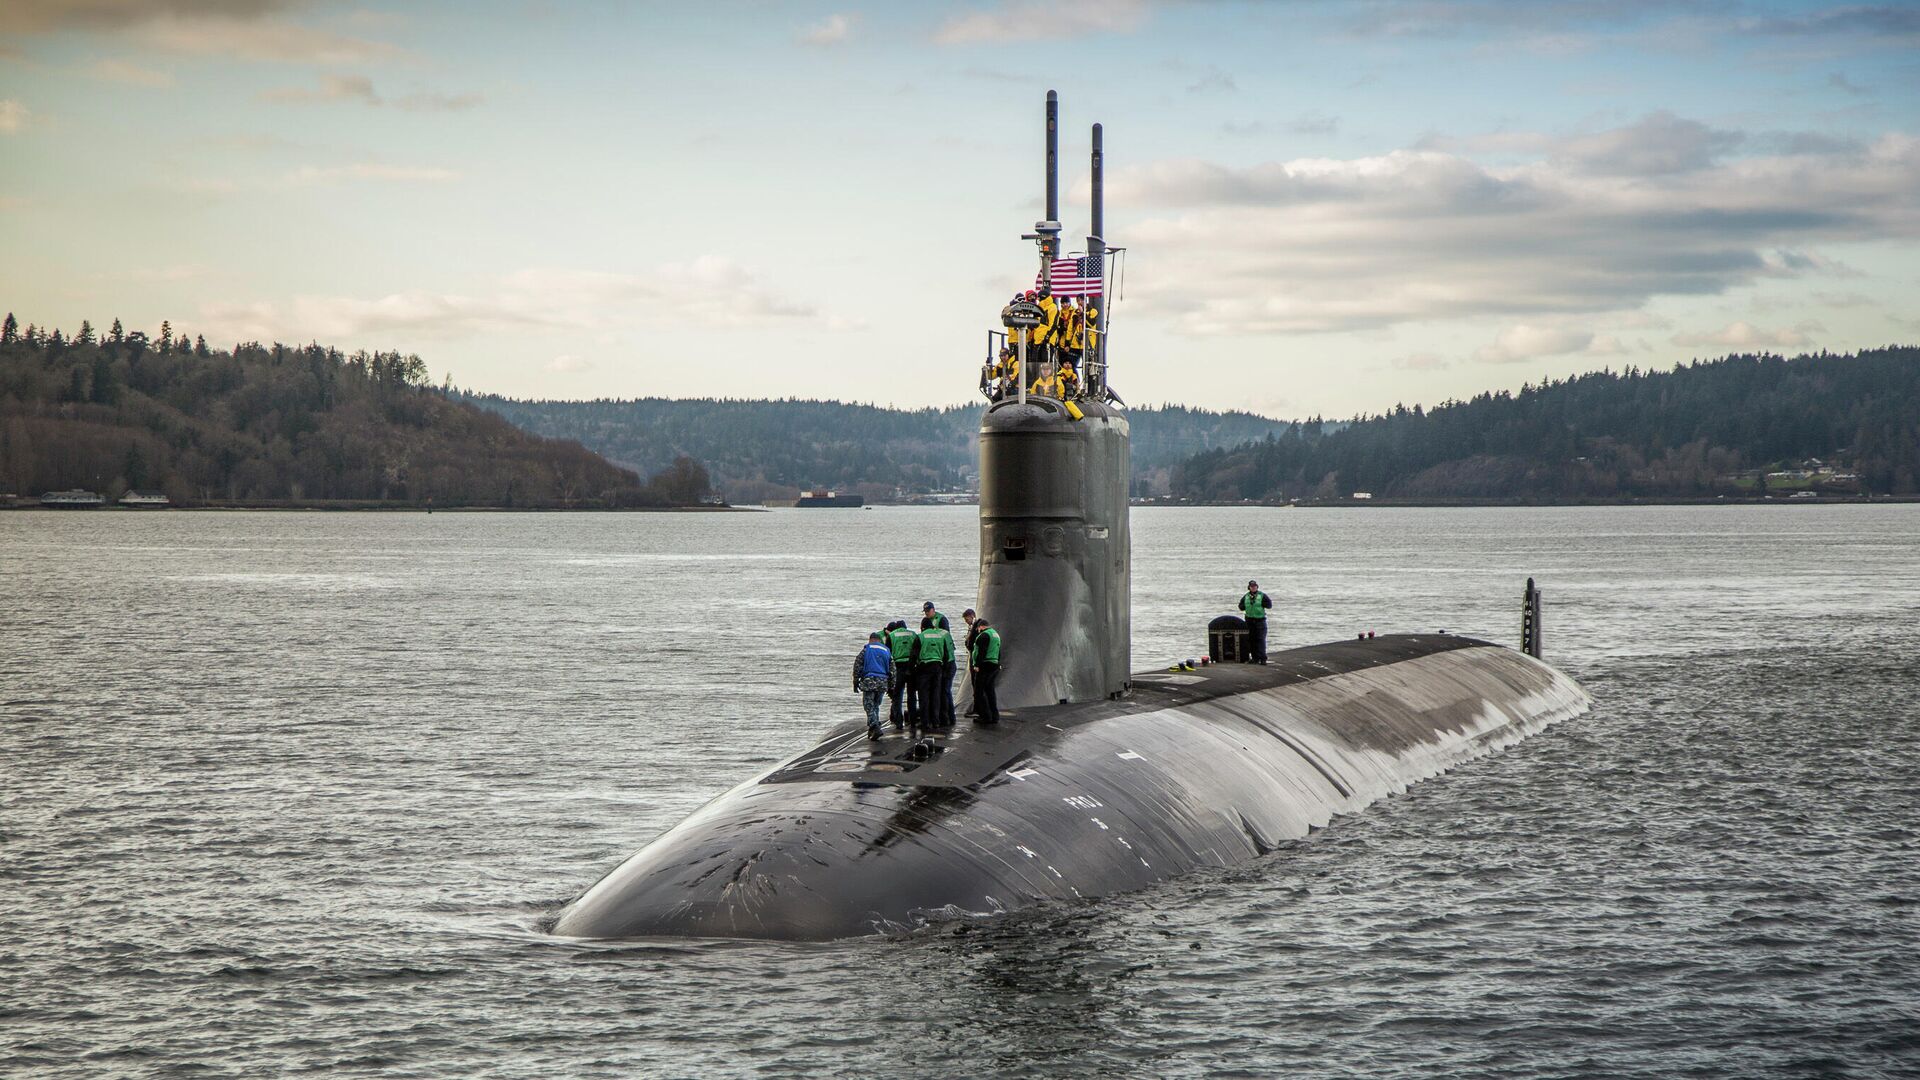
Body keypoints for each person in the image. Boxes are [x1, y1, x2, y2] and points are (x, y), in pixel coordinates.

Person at [915, 613, 956, 729]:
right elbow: (947, 653)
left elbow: (915, 655)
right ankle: (940, 720)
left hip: (924, 668)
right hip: (941, 667)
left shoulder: (921, 636)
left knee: (924, 695)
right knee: (939, 694)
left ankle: (925, 722)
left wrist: (911, 669)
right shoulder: (943, 635)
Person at [853, 631, 895, 740]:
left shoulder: (867, 650)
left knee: (868, 704)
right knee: (876, 704)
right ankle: (874, 726)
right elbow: (892, 669)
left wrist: (855, 681)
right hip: (882, 681)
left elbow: (857, 664)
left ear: (870, 639)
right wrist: (891, 684)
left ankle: (874, 725)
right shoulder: (887, 651)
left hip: (869, 680)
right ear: (880, 640)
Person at [885, 618, 919, 729]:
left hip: (898, 666)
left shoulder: (892, 635)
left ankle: (898, 722)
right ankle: (913, 721)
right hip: (911, 666)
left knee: (897, 695)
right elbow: (917, 650)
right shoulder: (913, 634)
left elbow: (887, 653)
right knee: (911, 694)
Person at [970, 618, 1002, 725]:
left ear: (981, 627)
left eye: (978, 628)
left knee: (979, 691)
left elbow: (981, 652)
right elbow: (998, 650)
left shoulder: (983, 635)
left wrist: (977, 665)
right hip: (994, 665)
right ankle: (995, 715)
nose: (978, 630)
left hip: (984, 665)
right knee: (990, 691)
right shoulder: (995, 635)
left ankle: (985, 716)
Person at [1239, 579, 1272, 663]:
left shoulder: (1262, 595)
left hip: (1260, 621)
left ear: (1257, 587)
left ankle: (1263, 658)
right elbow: (1240, 606)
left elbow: (1269, 605)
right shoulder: (1246, 596)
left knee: (1261, 640)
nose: (1253, 588)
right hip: (1249, 621)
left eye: (1255, 586)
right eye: (1251, 586)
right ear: (1249, 588)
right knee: (1251, 640)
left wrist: (1262, 604)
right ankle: (1255, 658)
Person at [961, 608, 980, 717]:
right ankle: (977, 708)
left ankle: (977, 709)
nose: (966, 622)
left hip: (975, 659)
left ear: (972, 616)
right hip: (973, 657)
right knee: (974, 683)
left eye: (967, 619)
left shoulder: (976, 627)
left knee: (976, 683)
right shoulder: (972, 627)